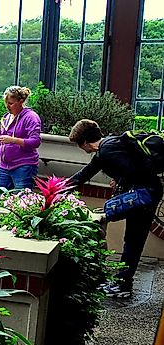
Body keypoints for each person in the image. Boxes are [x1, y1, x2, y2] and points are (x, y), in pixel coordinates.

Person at [68, 119, 163, 298]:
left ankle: (123, 285)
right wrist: (58, 189)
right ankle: (122, 282)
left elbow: (134, 172)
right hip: (148, 193)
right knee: (133, 240)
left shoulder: (106, 151)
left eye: (79, 145)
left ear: (85, 142)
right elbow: (84, 174)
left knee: (133, 241)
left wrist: (120, 180)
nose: (81, 149)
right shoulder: (109, 145)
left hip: (144, 196)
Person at [0, 86, 42, 190]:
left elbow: (35, 142)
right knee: (0, 199)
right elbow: (0, 143)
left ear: (21, 101)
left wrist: (12, 140)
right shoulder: (6, 118)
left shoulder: (31, 117)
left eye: (10, 103)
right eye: (6, 103)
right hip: (4, 167)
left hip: (24, 166)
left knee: (20, 199)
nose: (7, 107)